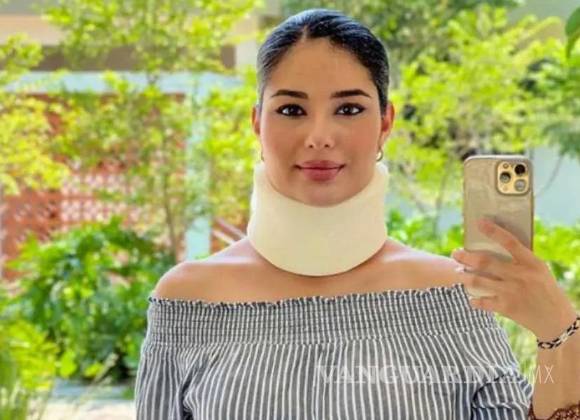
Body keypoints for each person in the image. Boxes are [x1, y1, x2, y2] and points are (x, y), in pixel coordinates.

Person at [134, 8, 580, 419]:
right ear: (257, 123)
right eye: (291, 109)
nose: (319, 136)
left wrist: (559, 328)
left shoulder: (454, 296)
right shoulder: (187, 302)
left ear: (385, 123)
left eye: (348, 109)